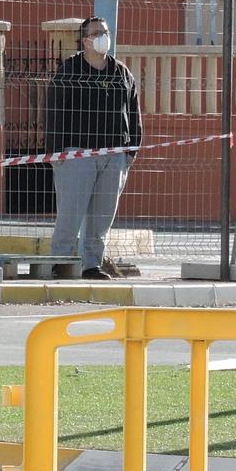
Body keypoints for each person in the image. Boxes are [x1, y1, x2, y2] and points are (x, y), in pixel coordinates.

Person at [43, 16, 142, 280]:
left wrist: (131, 150)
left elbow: (133, 112)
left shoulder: (121, 72)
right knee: (70, 213)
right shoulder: (69, 71)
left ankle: (91, 265)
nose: (103, 37)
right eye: (97, 33)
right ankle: (61, 263)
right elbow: (53, 110)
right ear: (85, 40)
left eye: (105, 32)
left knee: (102, 216)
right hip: (77, 154)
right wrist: (55, 151)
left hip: (114, 156)